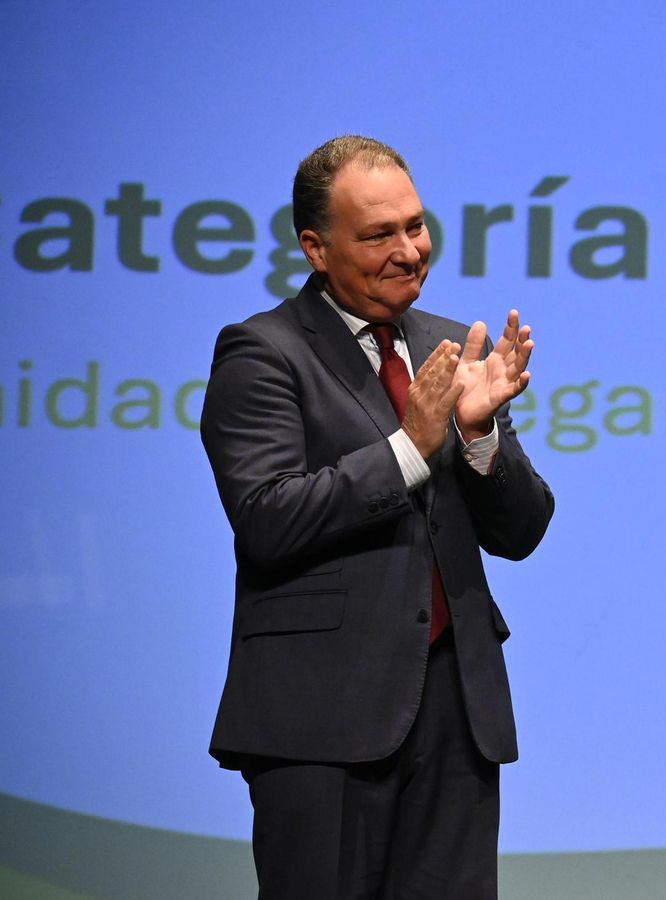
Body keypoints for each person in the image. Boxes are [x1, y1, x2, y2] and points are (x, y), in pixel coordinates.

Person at [200, 135, 554, 899]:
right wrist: (412, 447)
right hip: (322, 721)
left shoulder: (454, 346)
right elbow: (268, 518)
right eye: (378, 235)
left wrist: (478, 434)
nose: (409, 251)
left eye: (415, 226)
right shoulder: (262, 353)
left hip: (458, 714)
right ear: (316, 248)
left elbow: (521, 531)